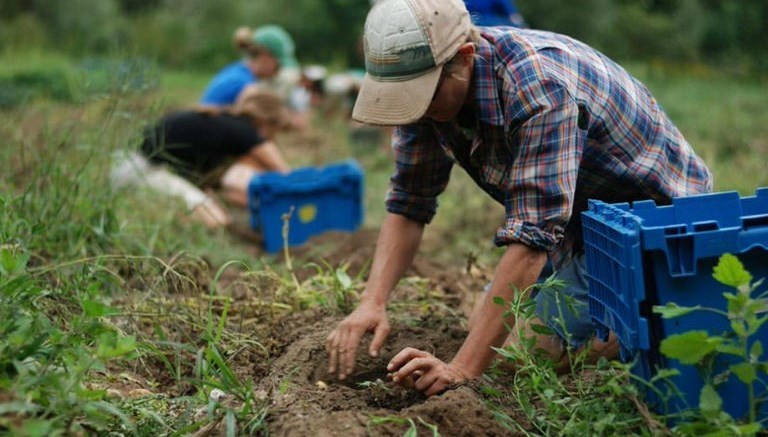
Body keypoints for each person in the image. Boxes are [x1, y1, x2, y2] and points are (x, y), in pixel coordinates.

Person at [326, 0, 713, 397]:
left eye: (423, 93)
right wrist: (372, 302)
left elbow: (531, 241)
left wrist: (461, 370)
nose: (417, 107)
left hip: (646, 225)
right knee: (484, 329)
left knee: (512, 361)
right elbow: (410, 200)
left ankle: (638, 324)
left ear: (463, 57)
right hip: (573, 226)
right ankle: (606, 322)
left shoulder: (538, 89)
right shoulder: (431, 102)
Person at [111, 87, 291, 229]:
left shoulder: (225, 122)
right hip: (139, 172)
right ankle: (164, 224)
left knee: (219, 215)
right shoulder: (244, 131)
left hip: (131, 166)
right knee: (216, 221)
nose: (273, 138)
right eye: (275, 131)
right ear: (266, 122)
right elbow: (284, 173)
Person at [200, 25, 297, 107]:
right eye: (278, 65)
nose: (278, 72)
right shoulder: (244, 85)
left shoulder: (236, 71)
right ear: (265, 56)